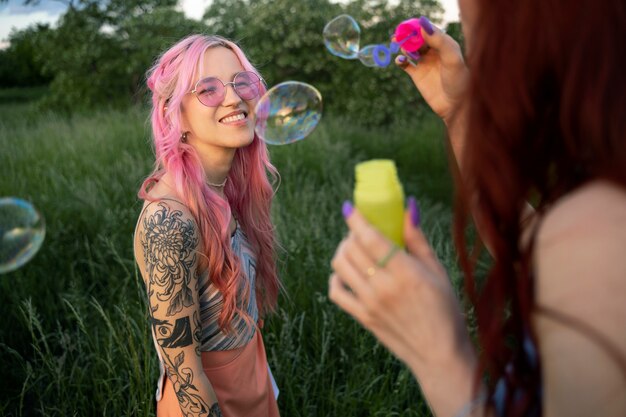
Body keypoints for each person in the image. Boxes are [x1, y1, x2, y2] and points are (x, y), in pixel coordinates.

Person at [329, 1, 626, 416]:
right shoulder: (600, 219)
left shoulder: (597, 237)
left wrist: (440, 358)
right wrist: (458, 111)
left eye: (478, 21)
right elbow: (526, 245)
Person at [133, 34, 281, 417]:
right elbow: (186, 376)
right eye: (208, 90)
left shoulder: (226, 189)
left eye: (241, 82)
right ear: (175, 114)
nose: (234, 98)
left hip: (254, 386)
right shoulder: (169, 221)